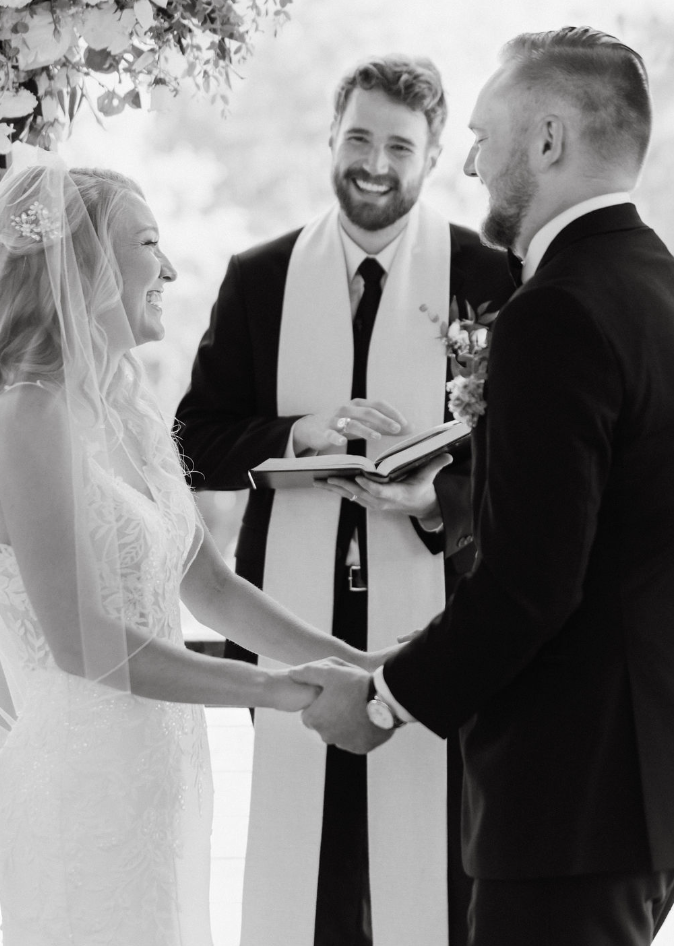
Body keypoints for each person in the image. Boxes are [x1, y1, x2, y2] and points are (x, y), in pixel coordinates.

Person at [291, 25, 674, 946]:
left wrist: (385, 699)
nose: (468, 162)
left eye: (484, 136)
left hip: (567, 794)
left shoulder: (559, 310)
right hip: (638, 779)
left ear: (547, 141)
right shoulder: (655, 280)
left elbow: (535, 582)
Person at [0, 160, 393, 946]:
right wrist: (287, 691)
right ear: (85, 267)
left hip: (165, 771)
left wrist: (357, 662)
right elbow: (85, 645)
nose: (172, 269)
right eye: (149, 243)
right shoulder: (24, 417)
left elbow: (208, 584)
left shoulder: (125, 399)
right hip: (78, 784)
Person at [175, 53, 512, 946]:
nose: (374, 161)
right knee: (311, 885)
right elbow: (194, 440)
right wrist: (297, 432)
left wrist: (439, 497)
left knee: (435, 871)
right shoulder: (259, 277)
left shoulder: (491, 277)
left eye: (398, 145)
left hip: (438, 621)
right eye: (357, 137)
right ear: (331, 137)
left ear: (433, 156)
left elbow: (528, 466)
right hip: (289, 617)